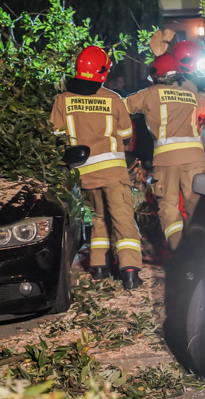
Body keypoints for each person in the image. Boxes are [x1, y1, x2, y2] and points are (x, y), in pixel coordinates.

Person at [50, 46, 143, 289]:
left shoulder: (62, 100)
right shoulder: (113, 98)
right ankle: (130, 273)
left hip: (83, 173)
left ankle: (99, 268)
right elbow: (125, 133)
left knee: (98, 219)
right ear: (103, 72)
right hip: (113, 171)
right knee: (123, 219)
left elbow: (55, 135)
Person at [125, 52, 205, 251]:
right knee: (196, 209)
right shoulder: (191, 90)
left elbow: (122, 107)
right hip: (195, 159)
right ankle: (201, 253)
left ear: (156, 75)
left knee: (168, 208)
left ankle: (180, 251)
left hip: (167, 161)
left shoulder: (149, 94)